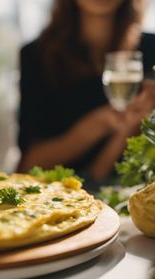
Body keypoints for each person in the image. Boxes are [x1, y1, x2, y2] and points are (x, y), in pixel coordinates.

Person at [17, 0, 155, 185]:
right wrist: (97, 124)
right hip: (64, 199)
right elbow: (27, 166)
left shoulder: (151, 49)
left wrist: (129, 127)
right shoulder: (37, 56)